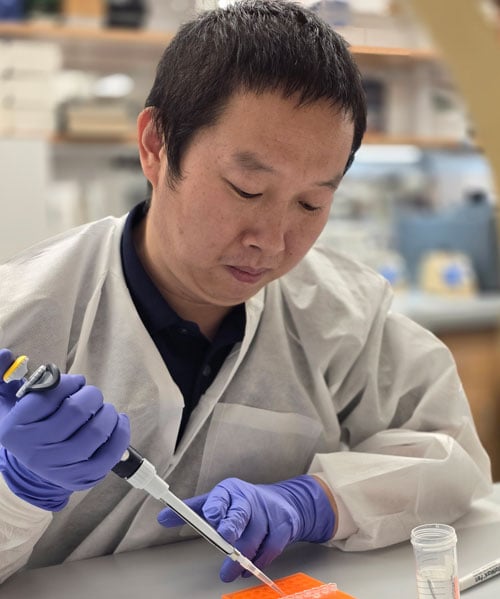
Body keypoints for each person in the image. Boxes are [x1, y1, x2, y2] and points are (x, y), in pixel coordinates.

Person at [0, 0, 492, 586]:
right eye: (246, 189)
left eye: (312, 203)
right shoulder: (23, 316)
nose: (273, 241)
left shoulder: (344, 315)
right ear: (156, 145)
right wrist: (16, 491)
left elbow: (453, 458)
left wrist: (316, 501)